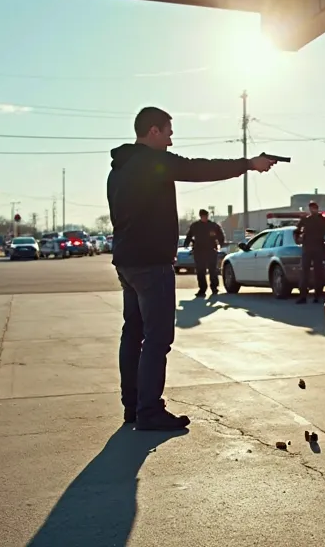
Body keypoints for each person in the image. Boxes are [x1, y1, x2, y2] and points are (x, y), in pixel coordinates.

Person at [108, 106, 278, 430]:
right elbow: (200, 169)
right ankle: (149, 412)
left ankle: (133, 406)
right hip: (151, 264)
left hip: (127, 262)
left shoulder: (118, 170)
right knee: (157, 339)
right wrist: (248, 164)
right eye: (168, 132)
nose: (171, 140)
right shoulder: (152, 162)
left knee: (133, 334)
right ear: (153, 131)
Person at [294, 201, 325, 304]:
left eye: (314, 208)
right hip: (309, 248)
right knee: (305, 272)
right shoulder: (308, 219)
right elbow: (297, 230)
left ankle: (316, 295)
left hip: (316, 248)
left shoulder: (320, 219)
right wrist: (299, 239)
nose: (313, 210)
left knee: (317, 272)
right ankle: (304, 296)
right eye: (311, 208)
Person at [185, 208, 225, 297]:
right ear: (200, 216)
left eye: (206, 216)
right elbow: (189, 235)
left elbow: (220, 235)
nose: (205, 218)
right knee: (200, 271)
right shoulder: (195, 226)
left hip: (211, 250)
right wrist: (186, 244)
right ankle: (202, 289)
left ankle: (214, 288)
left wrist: (220, 244)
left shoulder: (213, 226)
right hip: (199, 251)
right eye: (203, 216)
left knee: (213, 270)